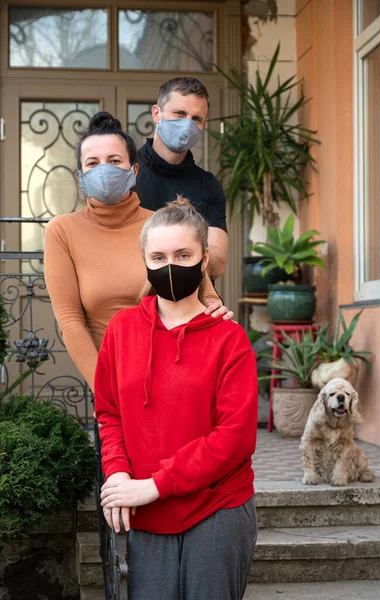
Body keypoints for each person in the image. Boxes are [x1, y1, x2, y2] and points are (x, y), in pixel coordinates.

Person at [95, 198, 258, 600]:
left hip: (216, 508)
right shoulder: (122, 329)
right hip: (146, 512)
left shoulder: (229, 338)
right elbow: (109, 412)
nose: (170, 265)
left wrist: (155, 484)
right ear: (145, 261)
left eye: (183, 254)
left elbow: (235, 437)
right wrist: (117, 471)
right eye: (159, 256)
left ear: (204, 259)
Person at [44, 112, 233, 393]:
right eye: (92, 164)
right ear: (81, 177)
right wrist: (105, 390)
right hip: (113, 381)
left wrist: (213, 301)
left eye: (114, 161)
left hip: (178, 377)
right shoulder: (62, 230)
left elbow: (203, 289)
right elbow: (70, 321)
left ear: (133, 171)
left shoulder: (161, 224)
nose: (103, 169)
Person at [135, 77, 228, 280]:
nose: (187, 124)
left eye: (196, 119)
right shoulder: (127, 173)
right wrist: (188, 252)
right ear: (156, 114)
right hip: (134, 304)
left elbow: (217, 263)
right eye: (179, 114)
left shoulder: (208, 185)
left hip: (194, 304)